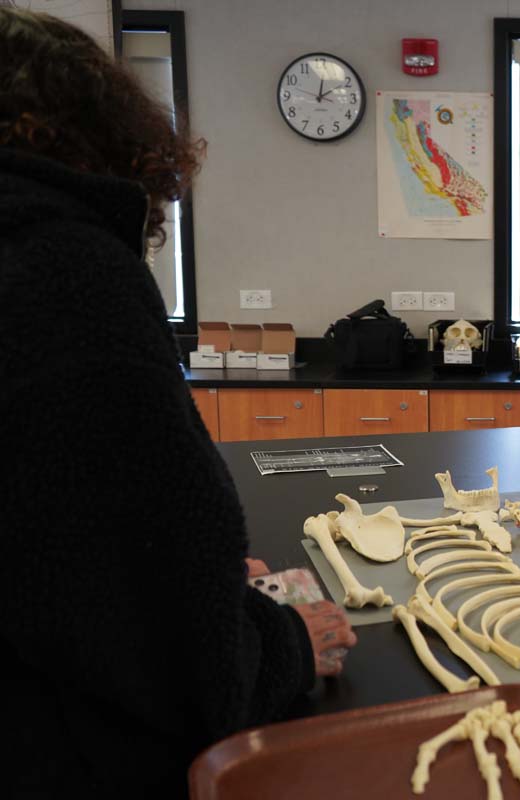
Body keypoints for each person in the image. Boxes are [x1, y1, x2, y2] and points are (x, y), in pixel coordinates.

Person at [0, 9, 356, 795]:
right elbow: (167, 651)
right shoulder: (59, 271)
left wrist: (186, 567)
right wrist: (280, 642)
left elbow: (64, 535)